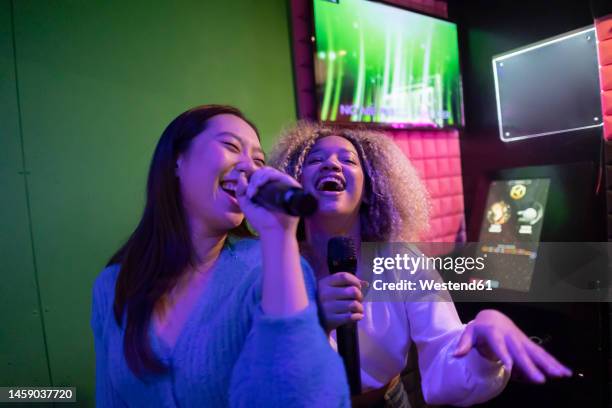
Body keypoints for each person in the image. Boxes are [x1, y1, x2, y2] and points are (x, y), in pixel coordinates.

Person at [269, 122, 572, 407]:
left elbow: (444, 359)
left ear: (370, 188)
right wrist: (313, 323)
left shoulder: (402, 261)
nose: (331, 164)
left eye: (348, 160)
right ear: (295, 181)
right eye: (315, 159)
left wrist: (481, 348)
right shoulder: (271, 265)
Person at [90, 106, 350, 407]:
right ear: (178, 159)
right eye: (230, 146)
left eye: (259, 160)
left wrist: (279, 237)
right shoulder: (111, 285)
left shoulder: (270, 267)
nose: (249, 168)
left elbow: (309, 399)